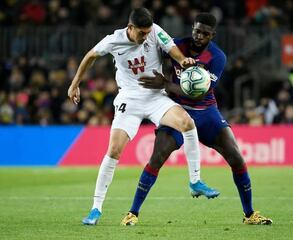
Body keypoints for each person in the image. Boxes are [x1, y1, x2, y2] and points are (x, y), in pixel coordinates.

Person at [67, 8, 219, 226]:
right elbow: (90, 56)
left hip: (156, 97)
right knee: (114, 151)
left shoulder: (155, 30)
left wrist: (183, 60)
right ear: (130, 28)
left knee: (187, 123)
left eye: (148, 33)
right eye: (141, 33)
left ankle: (195, 181)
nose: (146, 37)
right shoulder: (113, 41)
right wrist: (75, 84)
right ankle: (96, 209)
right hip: (130, 99)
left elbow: (172, 48)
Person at [121, 13, 273, 226]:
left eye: (205, 33)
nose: (199, 36)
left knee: (237, 158)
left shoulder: (217, 57)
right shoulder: (176, 46)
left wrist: (165, 85)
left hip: (206, 112)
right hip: (175, 110)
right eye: (197, 30)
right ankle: (132, 213)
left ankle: (250, 215)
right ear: (192, 27)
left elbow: (199, 93)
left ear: (212, 35)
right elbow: (149, 52)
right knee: (157, 158)